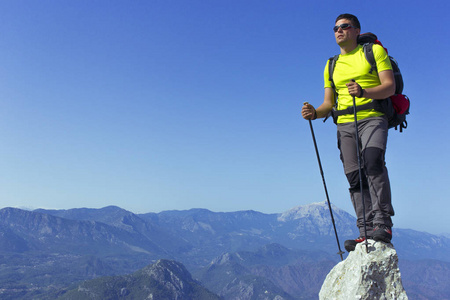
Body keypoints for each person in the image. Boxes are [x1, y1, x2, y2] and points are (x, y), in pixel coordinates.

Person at [301, 13, 395, 252]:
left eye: (344, 27)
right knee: (354, 177)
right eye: (335, 28)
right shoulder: (331, 64)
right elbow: (328, 104)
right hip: (344, 123)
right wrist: (315, 112)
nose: (338, 31)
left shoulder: (373, 52)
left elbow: (389, 87)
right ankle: (365, 231)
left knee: (373, 162)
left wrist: (363, 91)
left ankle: (382, 223)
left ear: (356, 30)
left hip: (372, 116)